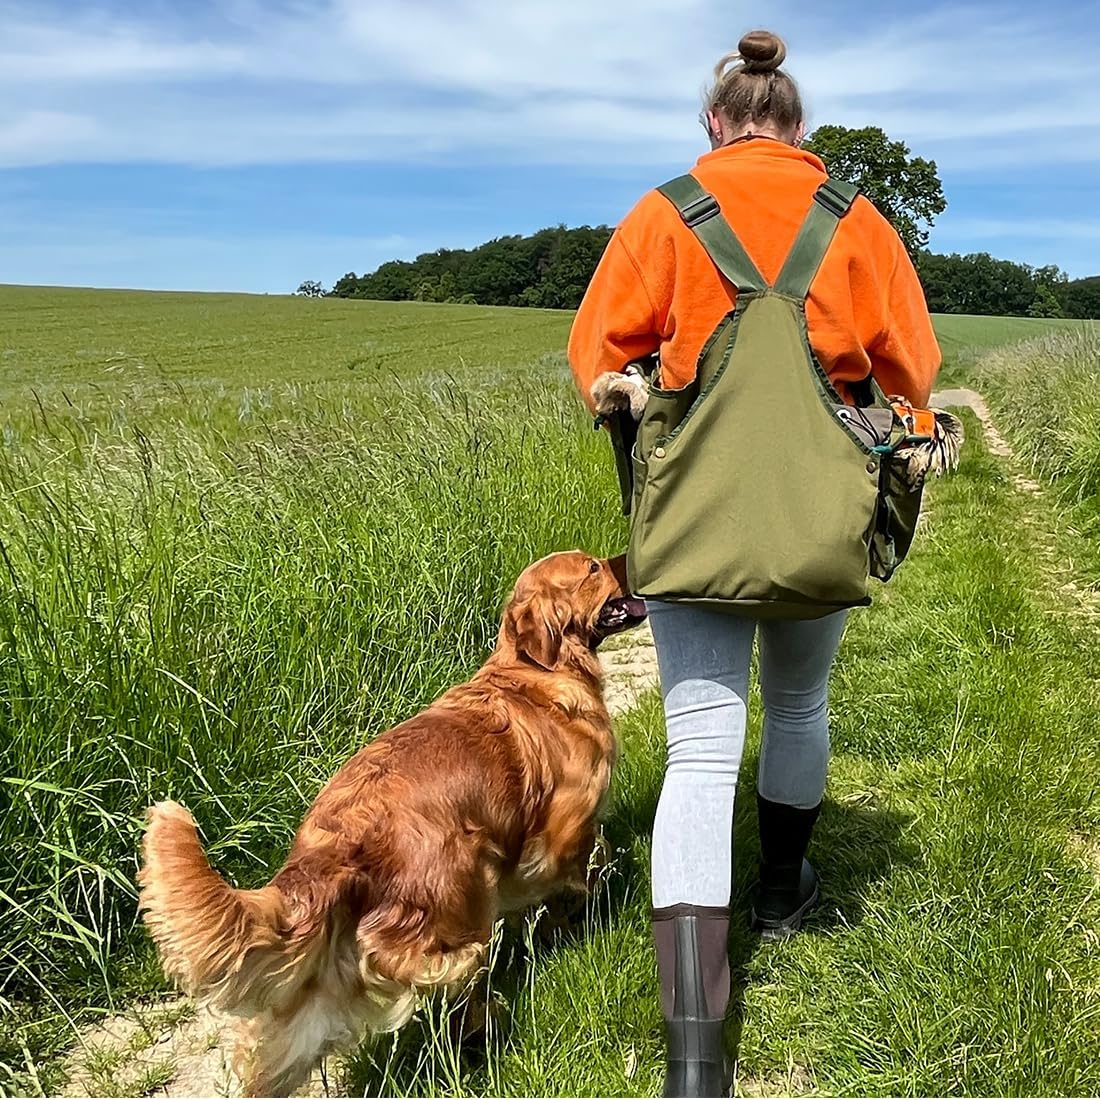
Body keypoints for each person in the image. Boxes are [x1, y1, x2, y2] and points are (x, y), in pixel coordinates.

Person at [567, 29, 942, 1098]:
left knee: (697, 751)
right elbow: (913, 370)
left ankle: (694, 1057)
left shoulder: (664, 212)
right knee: (800, 702)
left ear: (714, 122)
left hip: (695, 517)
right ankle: (782, 886)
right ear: (798, 128)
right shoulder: (857, 221)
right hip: (820, 512)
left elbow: (597, 357)